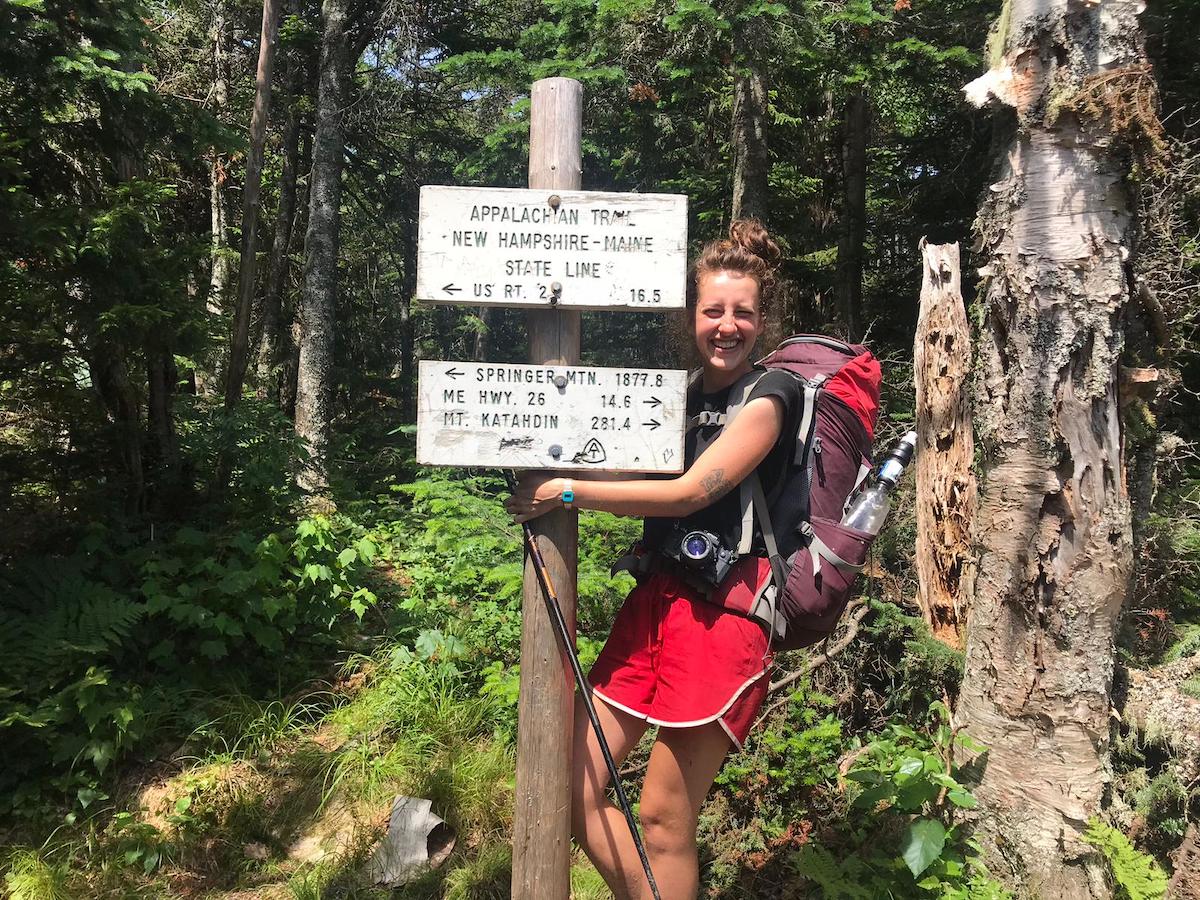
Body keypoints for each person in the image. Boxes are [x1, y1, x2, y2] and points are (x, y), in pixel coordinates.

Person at [505, 220, 804, 900]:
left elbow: (692, 490)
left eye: (743, 313)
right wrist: (550, 461)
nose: (727, 326)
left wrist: (569, 492)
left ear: (762, 321)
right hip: (655, 605)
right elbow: (631, 468)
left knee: (664, 818)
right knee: (572, 785)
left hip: (724, 615)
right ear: (691, 316)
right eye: (713, 310)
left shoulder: (772, 397)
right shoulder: (677, 396)